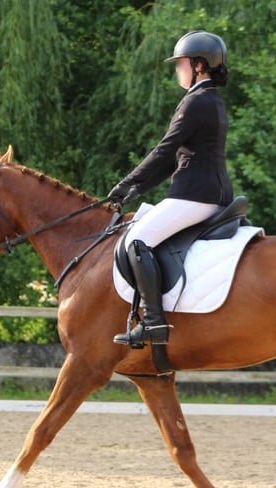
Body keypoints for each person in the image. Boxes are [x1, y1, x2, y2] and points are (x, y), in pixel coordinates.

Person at [108, 30, 233, 348]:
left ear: (199, 65)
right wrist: (133, 189)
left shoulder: (195, 101)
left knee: (136, 241)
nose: (177, 69)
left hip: (196, 194)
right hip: (207, 192)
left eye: (181, 64)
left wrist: (127, 183)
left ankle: (153, 323)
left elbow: (165, 151)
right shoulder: (209, 100)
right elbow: (171, 160)